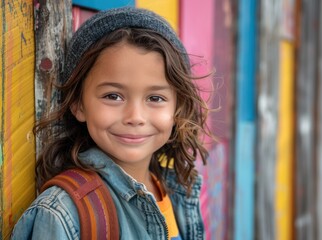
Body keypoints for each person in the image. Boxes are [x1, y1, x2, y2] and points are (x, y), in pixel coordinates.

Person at [11, 6, 211, 240]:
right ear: (78, 103)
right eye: (113, 96)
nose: (135, 117)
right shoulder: (65, 214)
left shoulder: (177, 191)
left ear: (177, 109)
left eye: (155, 98)